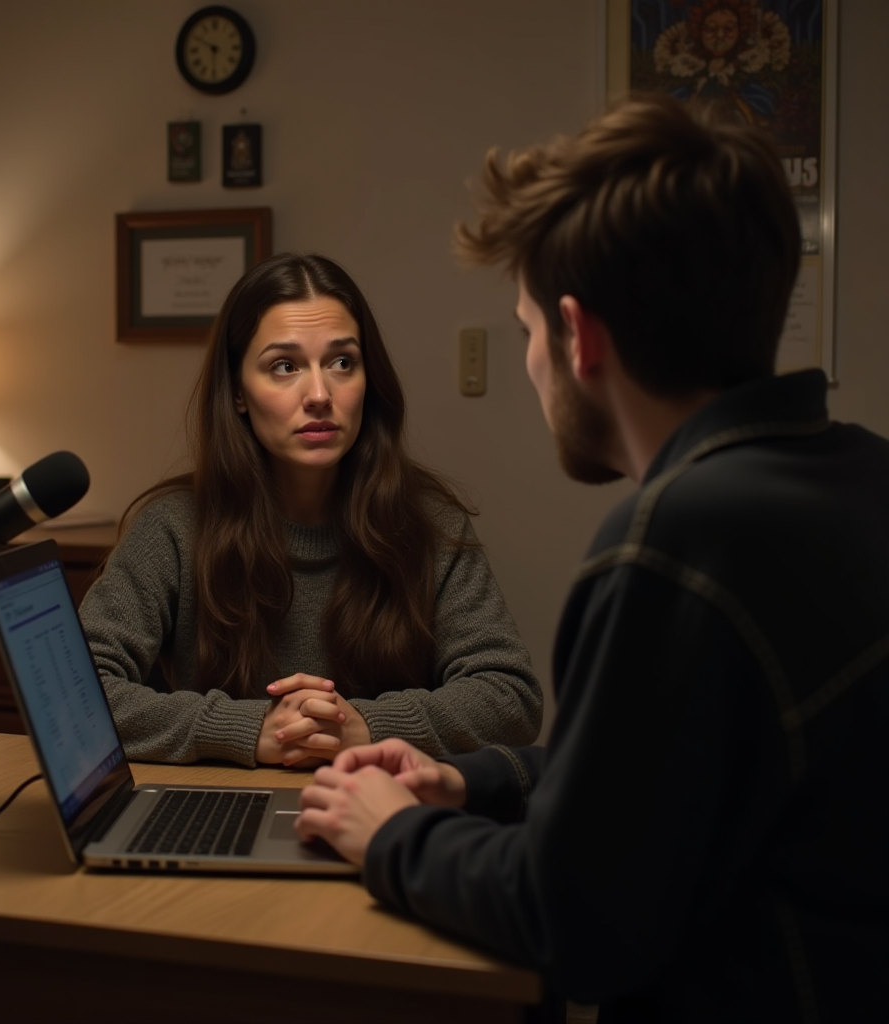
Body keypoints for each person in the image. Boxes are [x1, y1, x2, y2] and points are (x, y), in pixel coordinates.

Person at [296, 95, 889, 1022]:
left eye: (529, 328)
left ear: (583, 337)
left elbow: (575, 919)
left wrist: (394, 836)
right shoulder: (858, 473)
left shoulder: (676, 544)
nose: (532, 358)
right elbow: (658, 791)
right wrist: (470, 783)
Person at [79, 252, 542, 770]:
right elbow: (74, 690)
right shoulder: (174, 526)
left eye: (343, 362)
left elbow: (510, 696)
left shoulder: (429, 522)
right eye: (285, 366)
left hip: (386, 815)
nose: (320, 394)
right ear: (236, 391)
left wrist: (363, 728)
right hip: (223, 808)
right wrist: (247, 729)